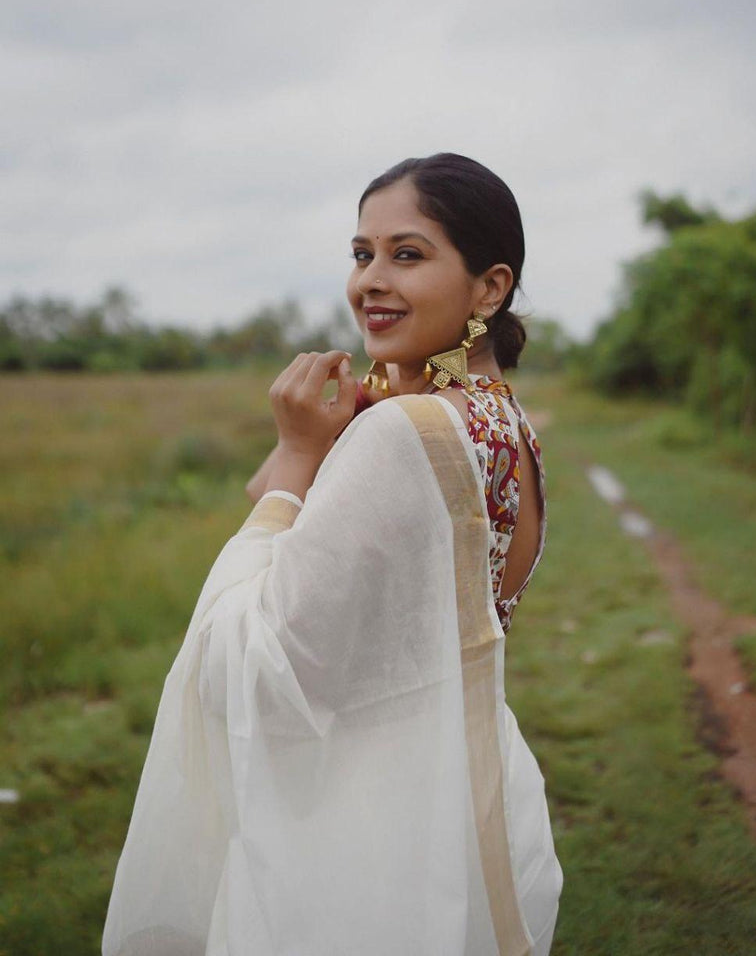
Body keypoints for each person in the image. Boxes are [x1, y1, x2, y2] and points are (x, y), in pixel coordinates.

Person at [102, 153, 563, 955]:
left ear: (490, 287)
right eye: (362, 254)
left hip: (359, 842)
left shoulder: (405, 433)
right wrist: (328, 438)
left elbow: (240, 672)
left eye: (407, 254)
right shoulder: (506, 426)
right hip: (466, 803)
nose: (370, 282)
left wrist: (293, 453)